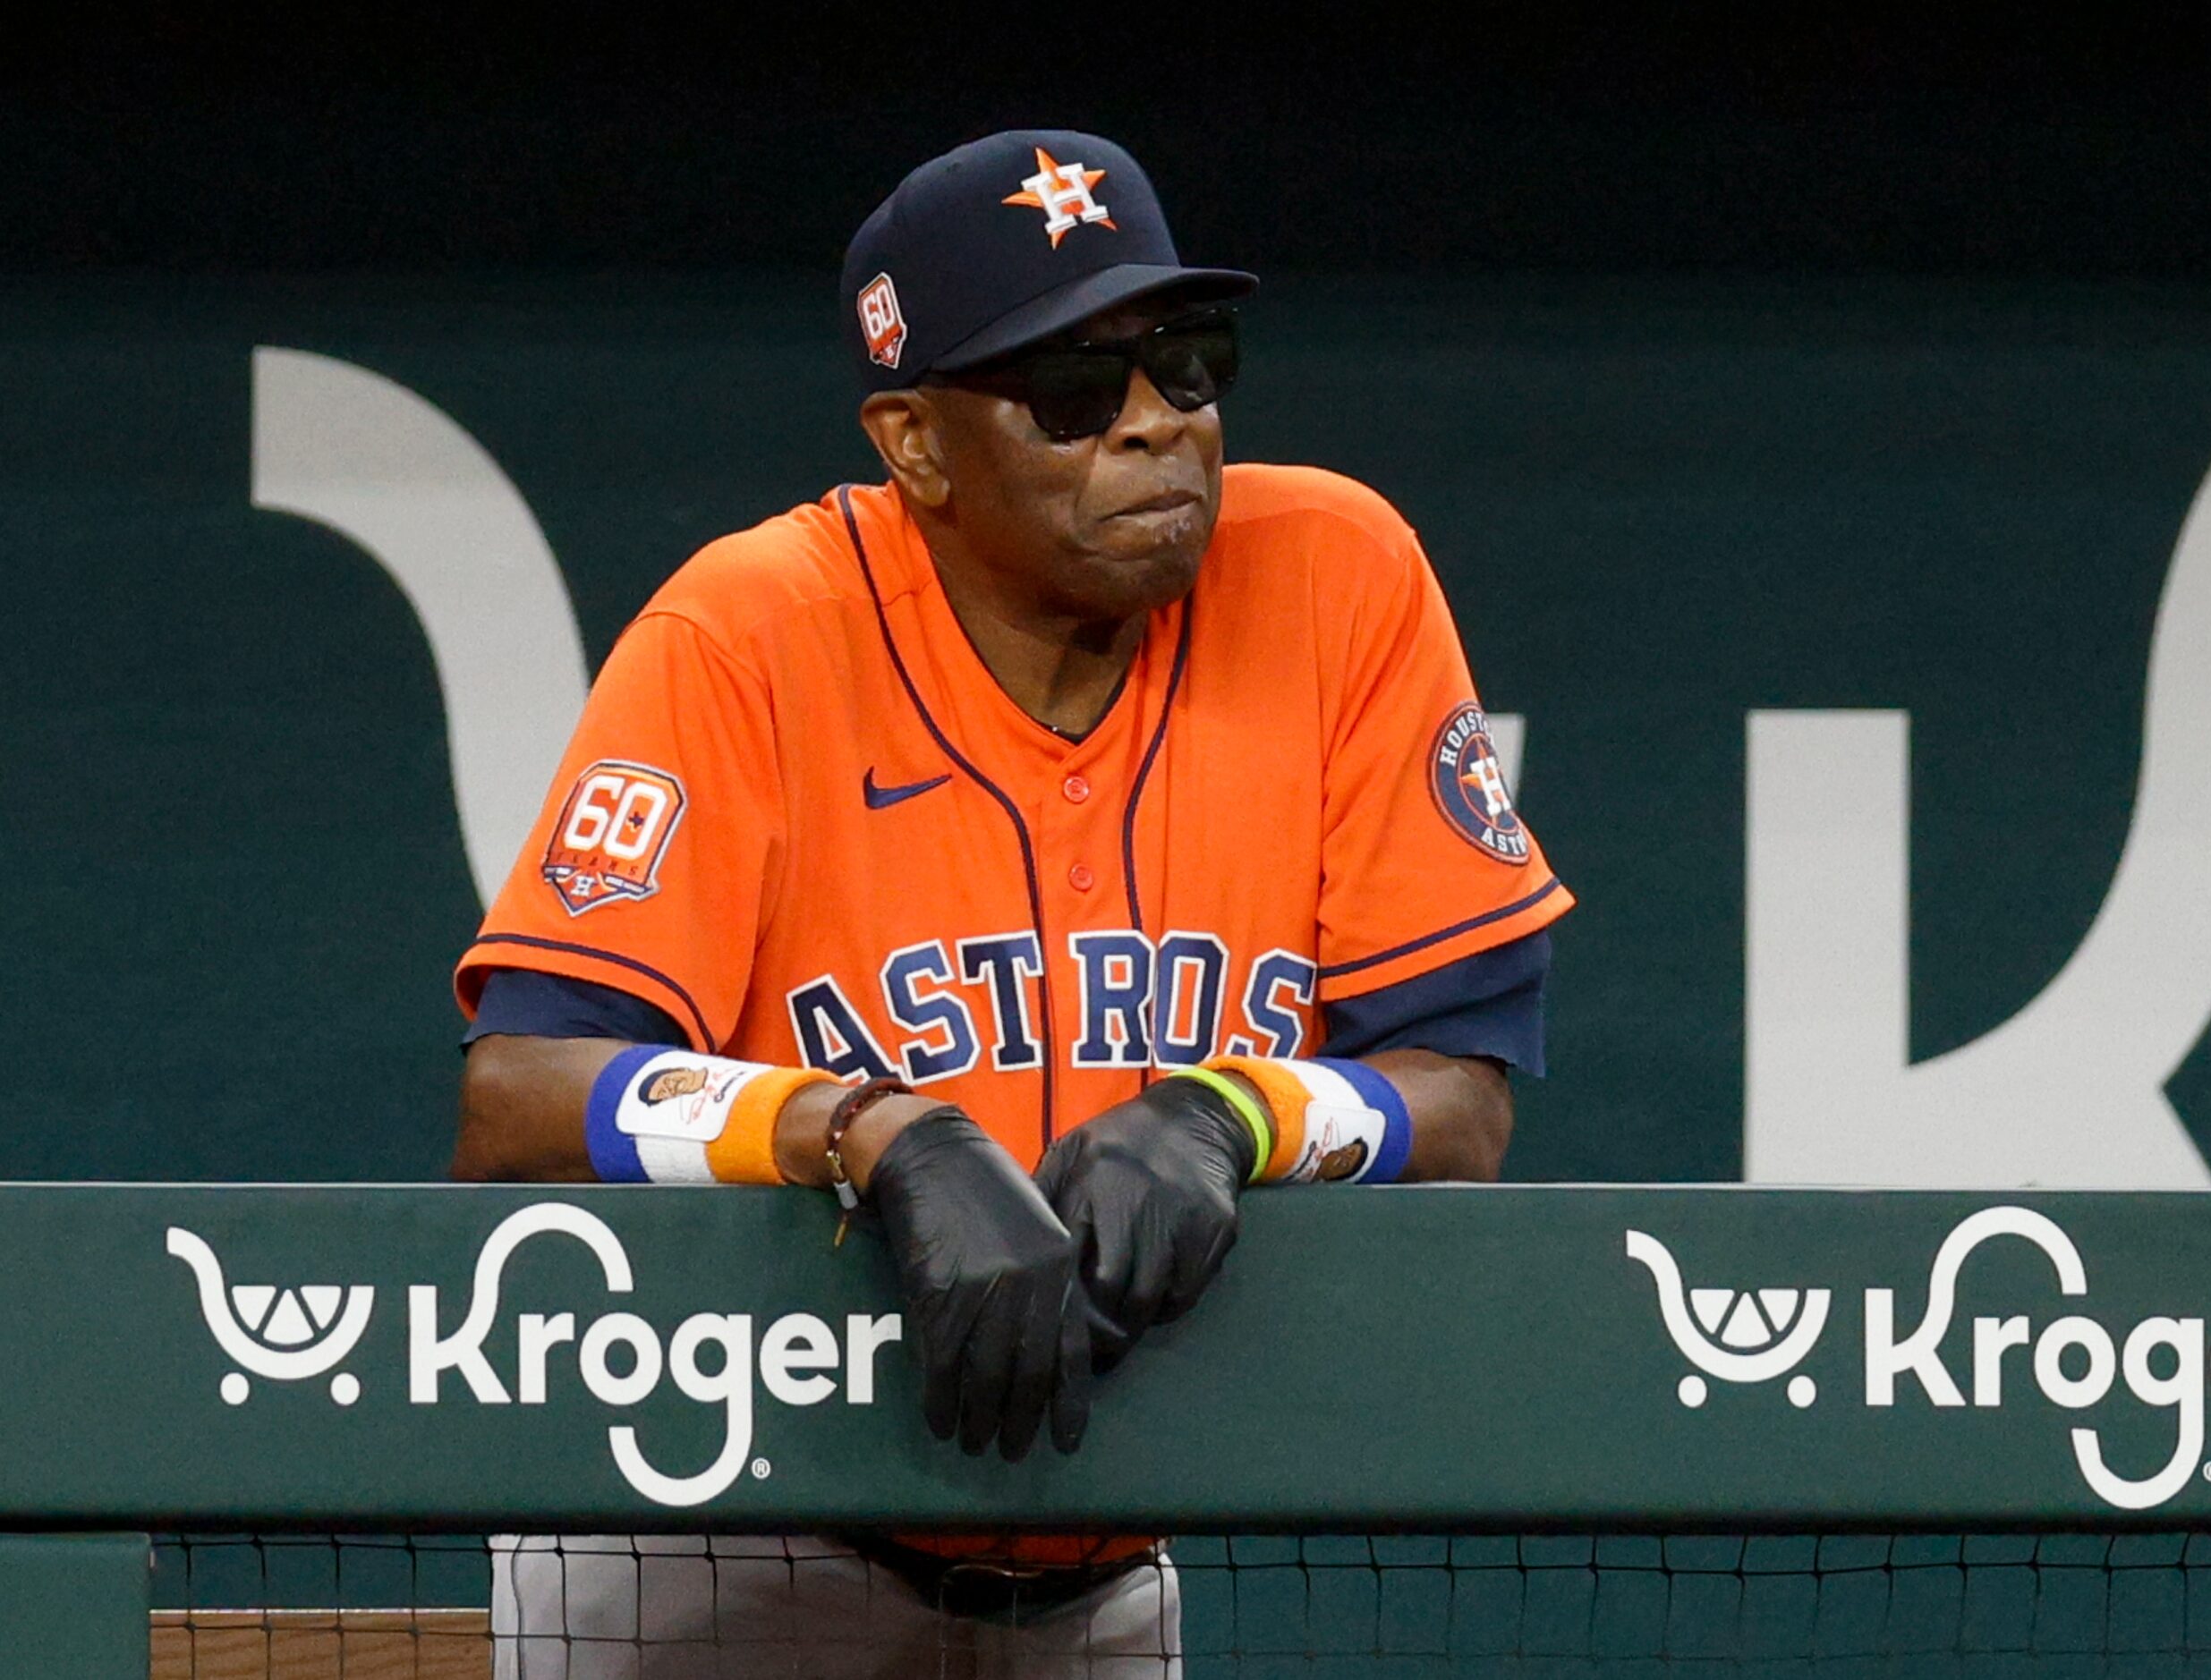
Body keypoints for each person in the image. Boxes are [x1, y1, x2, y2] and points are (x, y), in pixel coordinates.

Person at [450, 127, 1573, 1678]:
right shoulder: (748, 631)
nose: (1157, 431)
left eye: (1187, 364)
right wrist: (864, 1127)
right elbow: (517, 1094)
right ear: (916, 444)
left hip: (1097, 1577)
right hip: (727, 1543)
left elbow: (1463, 1097)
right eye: (1070, 394)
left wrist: (1230, 1113)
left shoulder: (1337, 577)